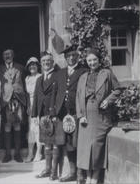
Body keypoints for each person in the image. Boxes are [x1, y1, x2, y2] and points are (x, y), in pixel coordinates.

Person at [76, 48, 121, 184]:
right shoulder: (83, 77)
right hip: (86, 117)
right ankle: (88, 178)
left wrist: (108, 100)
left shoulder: (107, 73)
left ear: (99, 60)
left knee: (96, 147)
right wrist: (80, 115)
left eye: (94, 59)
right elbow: (78, 98)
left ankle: (94, 179)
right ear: (86, 61)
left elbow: (118, 89)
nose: (92, 62)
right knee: (86, 149)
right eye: (89, 60)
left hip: (101, 116)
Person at [50, 45, 88, 183]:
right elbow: (54, 93)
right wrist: (52, 112)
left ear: (78, 57)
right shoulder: (59, 73)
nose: (71, 58)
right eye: (68, 56)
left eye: (74, 56)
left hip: (76, 113)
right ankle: (72, 172)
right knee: (66, 143)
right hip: (61, 114)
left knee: (77, 143)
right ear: (65, 58)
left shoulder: (84, 71)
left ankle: (80, 174)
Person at [0, 49, 27, 163]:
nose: (7, 56)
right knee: (7, 126)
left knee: (17, 125)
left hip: (18, 99)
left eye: (9, 54)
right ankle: (8, 154)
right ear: (2, 57)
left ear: (13, 55)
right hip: (5, 100)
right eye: (5, 55)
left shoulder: (21, 68)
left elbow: (24, 83)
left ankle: (17, 154)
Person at [31, 51, 59, 180]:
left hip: (53, 114)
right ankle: (47, 169)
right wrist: (34, 115)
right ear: (41, 64)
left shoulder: (58, 76)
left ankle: (54, 171)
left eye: (48, 61)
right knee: (46, 143)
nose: (46, 63)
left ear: (52, 62)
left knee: (54, 143)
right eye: (43, 61)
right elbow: (36, 97)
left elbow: (59, 96)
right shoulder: (39, 79)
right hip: (42, 115)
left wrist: (54, 112)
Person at [24, 57, 43, 162]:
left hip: (39, 104)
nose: (32, 67)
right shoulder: (27, 78)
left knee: (38, 129)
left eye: (34, 65)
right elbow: (27, 95)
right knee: (31, 130)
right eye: (30, 65)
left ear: (37, 66)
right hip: (30, 105)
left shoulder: (41, 76)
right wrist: (28, 106)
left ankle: (39, 153)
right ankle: (30, 153)